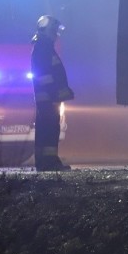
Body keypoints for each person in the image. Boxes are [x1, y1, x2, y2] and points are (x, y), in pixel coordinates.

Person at [31, 15, 75, 171]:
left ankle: (45, 163)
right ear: (48, 31)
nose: (56, 35)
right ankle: (49, 163)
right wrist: (56, 94)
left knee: (46, 130)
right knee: (49, 130)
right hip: (49, 97)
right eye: (54, 31)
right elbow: (46, 76)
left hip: (47, 97)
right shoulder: (43, 48)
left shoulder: (43, 47)